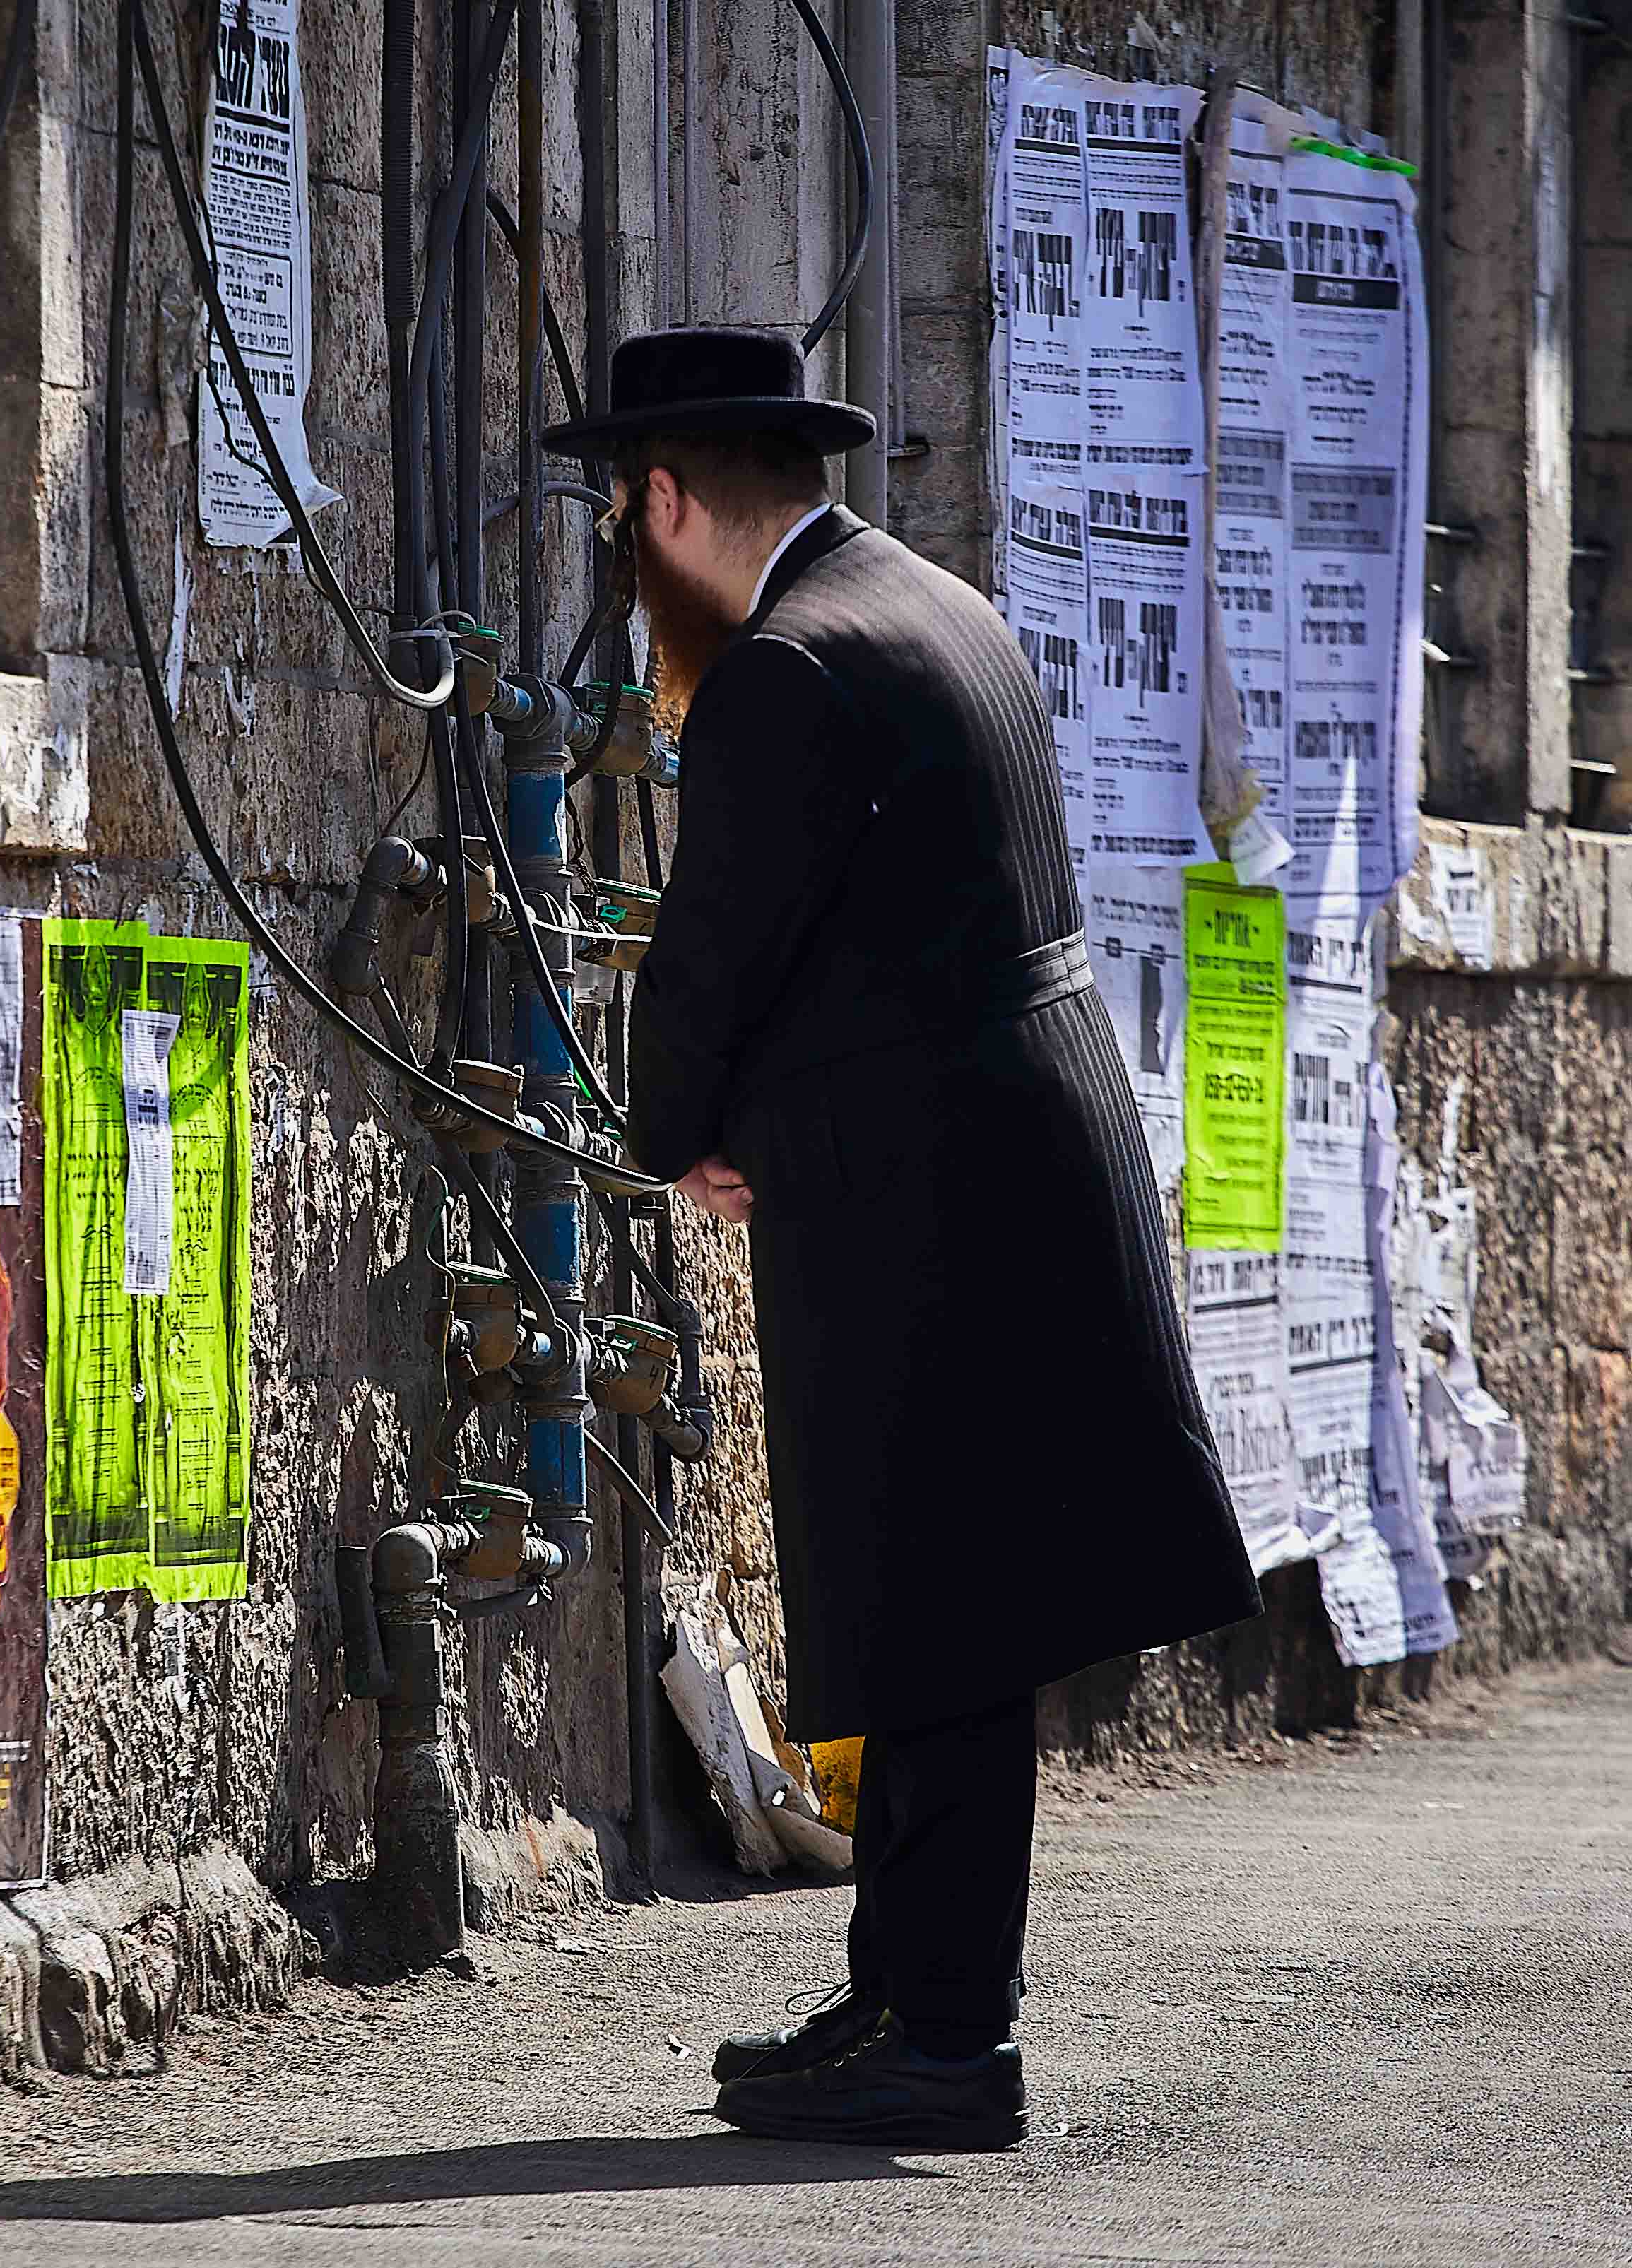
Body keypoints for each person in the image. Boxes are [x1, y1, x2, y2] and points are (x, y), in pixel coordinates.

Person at [538, 329, 1260, 2152]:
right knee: (946, 1605)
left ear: (674, 502)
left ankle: (948, 2036)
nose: (632, 577)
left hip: (941, 1192)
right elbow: (881, 926)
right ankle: (911, 1996)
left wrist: (677, 1131)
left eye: (629, 527)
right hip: (1001, 1164)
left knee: (935, 1605)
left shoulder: (782, 671)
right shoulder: (937, 607)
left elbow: (714, 954)